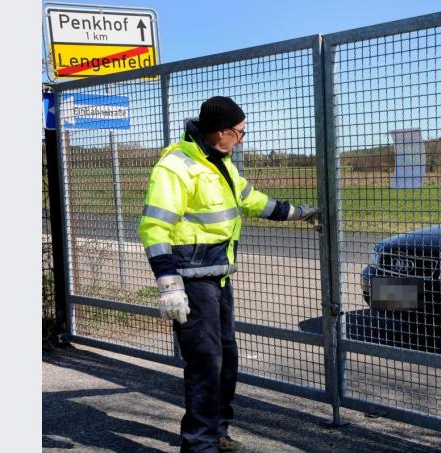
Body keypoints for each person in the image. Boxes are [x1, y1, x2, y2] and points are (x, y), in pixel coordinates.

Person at [137, 96, 319, 453]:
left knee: (225, 357)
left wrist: (299, 213)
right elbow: (154, 227)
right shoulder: (176, 166)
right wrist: (169, 285)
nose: (241, 138)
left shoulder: (221, 163)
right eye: (239, 132)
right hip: (191, 279)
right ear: (221, 131)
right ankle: (199, 445)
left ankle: (217, 432)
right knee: (205, 362)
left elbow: (253, 200)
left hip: (218, 276)